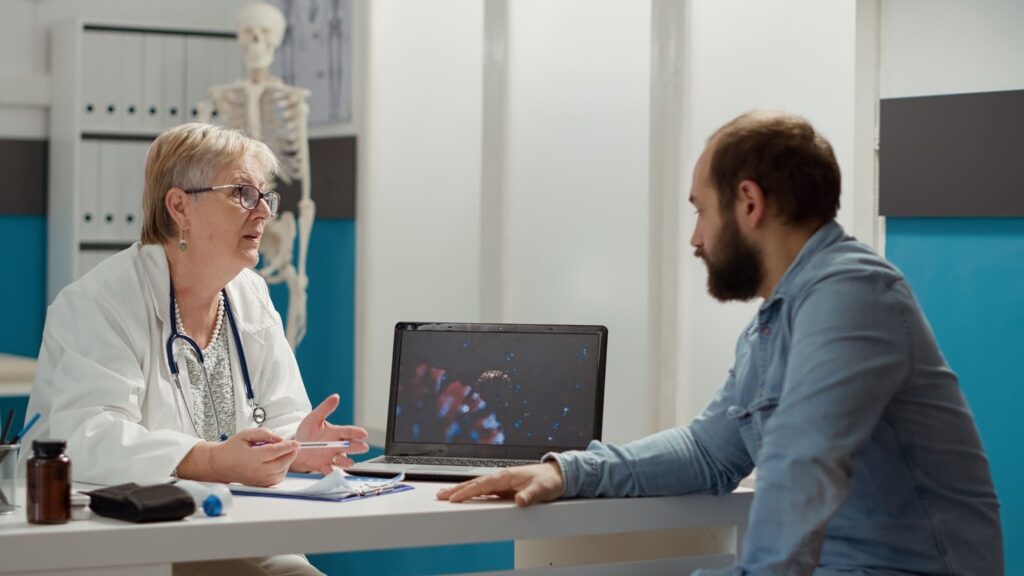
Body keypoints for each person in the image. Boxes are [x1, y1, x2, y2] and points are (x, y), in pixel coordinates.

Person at [438, 111, 1003, 575]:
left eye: (701, 210)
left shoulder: (852, 293)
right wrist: (569, 472)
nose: (695, 238)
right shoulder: (772, 323)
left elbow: (802, 467)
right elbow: (708, 451)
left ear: (749, 203)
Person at [23, 123, 368, 576]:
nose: (264, 211)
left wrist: (296, 446)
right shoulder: (100, 303)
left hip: (234, 523)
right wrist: (208, 459)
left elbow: (279, 414)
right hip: (126, 539)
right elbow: (88, 437)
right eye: (243, 193)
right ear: (179, 206)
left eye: (265, 195)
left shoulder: (250, 295)